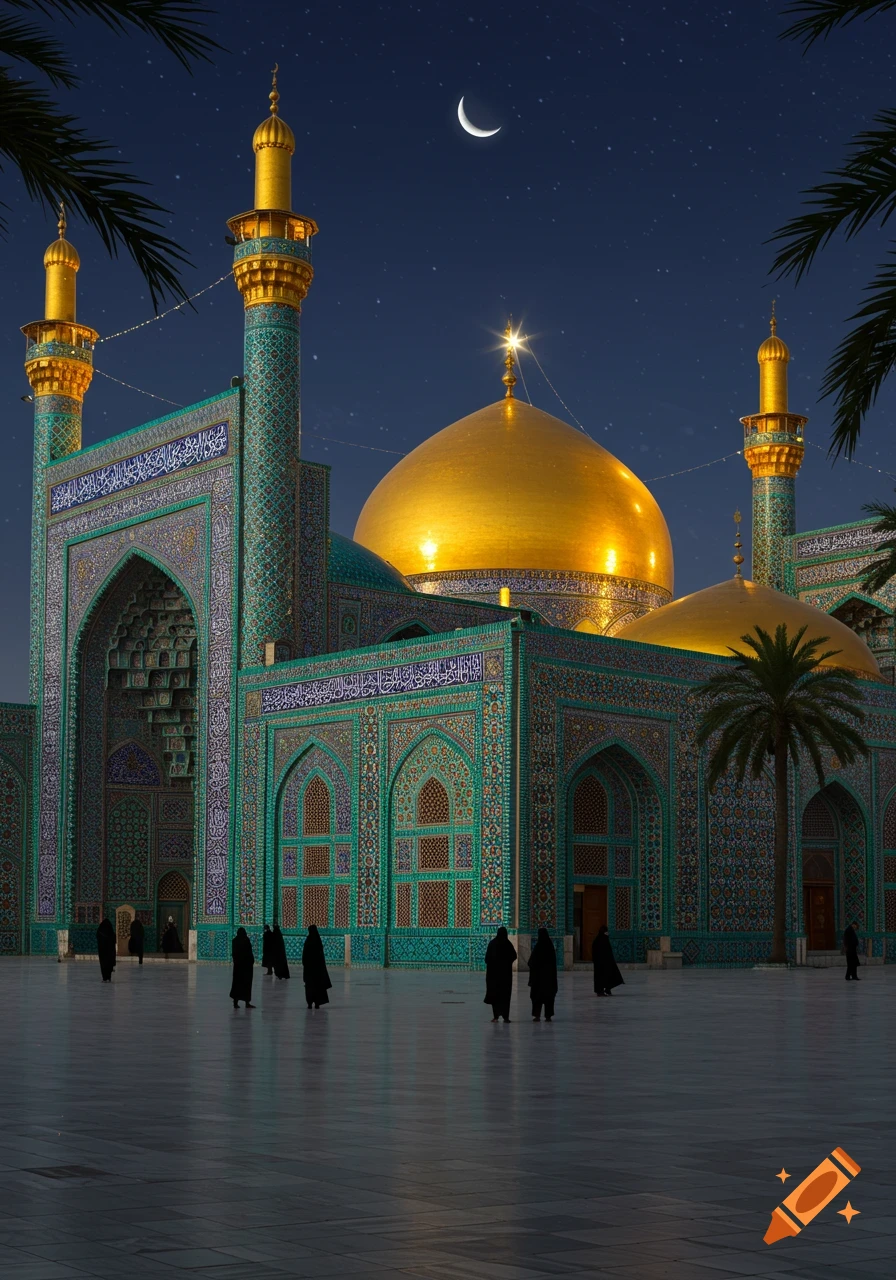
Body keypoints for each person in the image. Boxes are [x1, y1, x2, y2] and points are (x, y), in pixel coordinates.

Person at [484, 925, 517, 1022]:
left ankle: (496, 1016)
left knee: (495, 995)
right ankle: (506, 1017)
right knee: (505, 996)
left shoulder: (492, 943)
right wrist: (506, 963)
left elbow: (487, 959)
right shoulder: (508, 944)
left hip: (493, 975)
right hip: (505, 976)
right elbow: (514, 956)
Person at [528, 927, 558, 1021]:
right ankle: (548, 1016)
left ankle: (537, 1015)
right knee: (549, 997)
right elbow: (553, 963)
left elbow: (531, 962)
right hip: (549, 978)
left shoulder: (538, 947)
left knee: (537, 997)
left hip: (538, 979)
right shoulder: (550, 947)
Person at [301, 924, 331, 1009]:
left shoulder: (308, 940)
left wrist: (305, 964)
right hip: (317, 970)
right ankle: (317, 1003)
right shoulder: (318, 941)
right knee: (317, 986)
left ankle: (310, 1003)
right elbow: (321, 956)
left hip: (309, 970)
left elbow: (305, 954)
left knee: (309, 987)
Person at [592, 924, 624, 996]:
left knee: (609, 975)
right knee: (601, 977)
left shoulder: (602, 940)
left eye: (607, 933)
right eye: (606, 933)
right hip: (600, 964)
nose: (607, 934)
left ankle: (607, 989)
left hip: (606, 963)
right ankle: (600, 991)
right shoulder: (598, 941)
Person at [230, 927, 255, 1008]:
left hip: (238, 967)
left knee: (237, 984)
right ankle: (247, 1002)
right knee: (246, 984)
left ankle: (235, 1002)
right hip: (246, 967)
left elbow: (234, 954)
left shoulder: (235, 941)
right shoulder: (246, 940)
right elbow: (249, 952)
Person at [96, 918, 116, 982]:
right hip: (110, 951)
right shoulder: (112, 933)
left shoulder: (100, 931)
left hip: (102, 951)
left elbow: (97, 937)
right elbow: (114, 941)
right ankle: (109, 977)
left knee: (103, 964)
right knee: (109, 964)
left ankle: (104, 978)